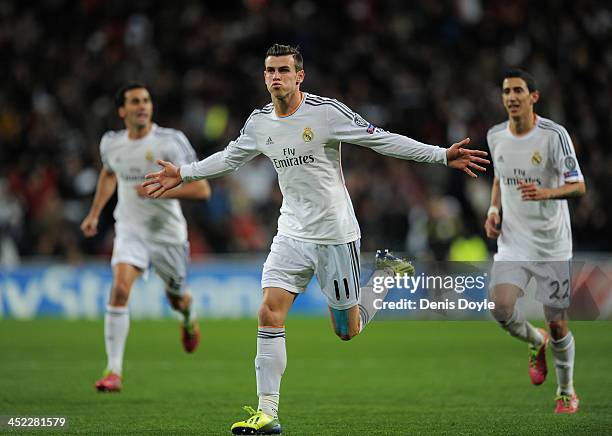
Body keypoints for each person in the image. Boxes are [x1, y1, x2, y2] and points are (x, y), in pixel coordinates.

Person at [143, 44, 489, 434]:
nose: (275, 77)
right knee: (268, 312)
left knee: (347, 330)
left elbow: (382, 139)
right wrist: (185, 173)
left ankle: (388, 274)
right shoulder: (259, 122)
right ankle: (268, 413)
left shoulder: (325, 113)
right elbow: (229, 157)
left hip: (334, 234)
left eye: (283, 71)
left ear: (299, 76)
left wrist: (441, 155)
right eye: (269, 71)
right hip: (291, 232)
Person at [81, 83, 211, 392]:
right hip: (130, 229)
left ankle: (188, 317)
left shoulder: (170, 142)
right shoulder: (111, 144)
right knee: (120, 289)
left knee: (177, 299)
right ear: (122, 111)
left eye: (147, 100)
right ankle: (114, 371)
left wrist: (164, 188)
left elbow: (202, 189)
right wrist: (95, 213)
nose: (143, 106)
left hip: (167, 235)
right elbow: (109, 174)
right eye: (135, 101)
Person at [484, 69, 586, 414]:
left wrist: (547, 192)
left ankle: (566, 390)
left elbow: (578, 185)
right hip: (513, 241)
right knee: (500, 308)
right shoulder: (495, 135)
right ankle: (534, 339)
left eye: (518, 90)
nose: (511, 97)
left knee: (557, 322)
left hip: (551, 245)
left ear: (533, 97)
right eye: (506, 91)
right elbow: (499, 176)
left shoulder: (554, 136)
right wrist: (493, 209)